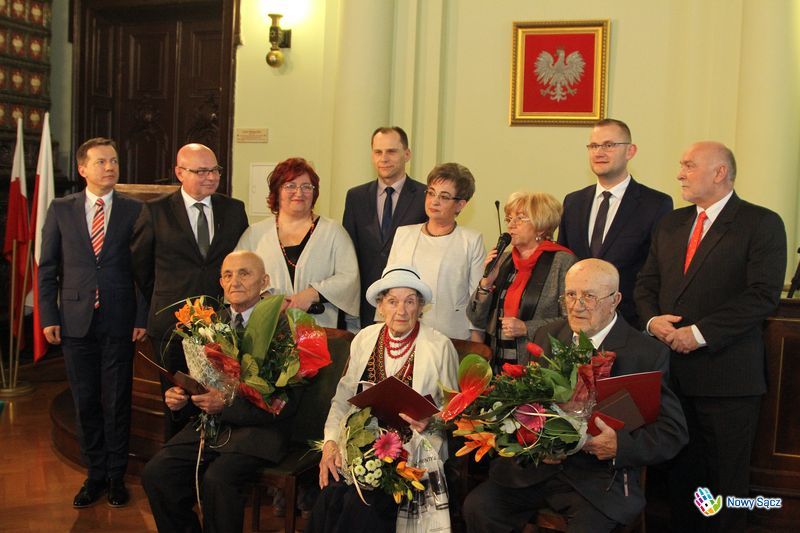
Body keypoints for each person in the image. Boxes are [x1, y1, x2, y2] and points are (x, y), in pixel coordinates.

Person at [463, 259, 688, 533]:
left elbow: (672, 431)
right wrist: (532, 439)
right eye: (570, 294)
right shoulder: (548, 335)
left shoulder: (645, 353)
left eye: (589, 296)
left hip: (598, 480)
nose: (576, 305)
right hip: (537, 469)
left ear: (615, 300)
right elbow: (525, 403)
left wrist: (619, 446)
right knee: (478, 508)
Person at [635, 141, 787, 532]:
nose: (680, 174)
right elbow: (646, 284)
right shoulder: (671, 223)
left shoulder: (761, 223)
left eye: (689, 165)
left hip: (727, 378)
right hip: (672, 376)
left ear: (720, 172)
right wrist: (653, 322)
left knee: (725, 483)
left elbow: (762, 296)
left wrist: (699, 333)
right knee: (682, 481)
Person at [142, 251, 301, 533]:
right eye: (227, 275)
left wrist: (225, 405)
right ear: (220, 283)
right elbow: (200, 380)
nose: (234, 281)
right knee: (157, 473)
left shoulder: (285, 326)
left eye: (244, 273)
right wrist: (182, 397)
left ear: (264, 281)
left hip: (259, 431)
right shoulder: (209, 324)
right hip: (212, 427)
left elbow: (284, 400)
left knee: (217, 480)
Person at [38, 137, 147, 508]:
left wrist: (141, 315)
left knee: (117, 401)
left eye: (114, 160)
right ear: (82, 168)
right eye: (101, 161)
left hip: (120, 319)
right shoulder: (61, 209)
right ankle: (94, 475)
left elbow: (144, 270)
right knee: (85, 401)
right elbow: (48, 267)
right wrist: (48, 315)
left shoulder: (134, 210)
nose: (110, 167)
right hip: (74, 320)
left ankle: (116, 476)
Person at [309, 265, 459, 532]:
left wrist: (431, 420)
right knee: (329, 494)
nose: (401, 310)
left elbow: (455, 413)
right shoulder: (364, 338)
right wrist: (330, 442)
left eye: (410, 301)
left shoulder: (439, 347)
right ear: (380, 307)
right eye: (392, 301)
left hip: (413, 453)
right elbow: (342, 399)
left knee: (361, 504)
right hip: (360, 445)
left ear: (420, 307)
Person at [131, 143, 249, 438]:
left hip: (220, 324)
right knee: (178, 403)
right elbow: (140, 267)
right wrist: (170, 297)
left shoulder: (234, 210)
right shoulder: (155, 211)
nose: (211, 177)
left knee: (218, 401)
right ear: (180, 172)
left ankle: (212, 458)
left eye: (215, 170)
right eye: (202, 171)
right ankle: (176, 459)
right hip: (171, 325)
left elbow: (240, 260)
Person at [557, 118, 672, 328]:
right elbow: (563, 262)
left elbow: (657, 270)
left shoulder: (655, 204)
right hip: (577, 322)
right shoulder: (573, 202)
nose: (599, 152)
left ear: (630, 151)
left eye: (609, 145)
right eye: (593, 146)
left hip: (629, 323)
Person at [236, 157, 360, 329]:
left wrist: (314, 293)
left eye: (306, 186)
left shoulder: (333, 232)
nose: (299, 192)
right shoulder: (255, 234)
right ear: (277, 191)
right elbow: (237, 275)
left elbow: (348, 277)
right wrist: (267, 298)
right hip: (267, 330)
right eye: (290, 186)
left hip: (321, 331)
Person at [467, 192, 576, 367]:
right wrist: (486, 284)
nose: (511, 224)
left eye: (520, 218)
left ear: (541, 226)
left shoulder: (562, 262)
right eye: (509, 219)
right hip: (498, 364)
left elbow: (572, 319)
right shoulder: (503, 260)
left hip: (539, 365)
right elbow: (476, 318)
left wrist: (527, 328)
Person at [387, 162, 485, 340]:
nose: (434, 201)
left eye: (444, 197)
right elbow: (388, 288)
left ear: (460, 204)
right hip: (404, 334)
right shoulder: (404, 234)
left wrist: (477, 347)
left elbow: (476, 301)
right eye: (431, 193)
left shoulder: (471, 240)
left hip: (451, 337)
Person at [343, 126, 427, 328]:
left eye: (391, 151)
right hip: (366, 300)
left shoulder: (424, 196)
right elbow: (348, 251)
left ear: (407, 154)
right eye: (378, 152)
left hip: (406, 305)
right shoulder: (356, 197)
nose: (384, 158)